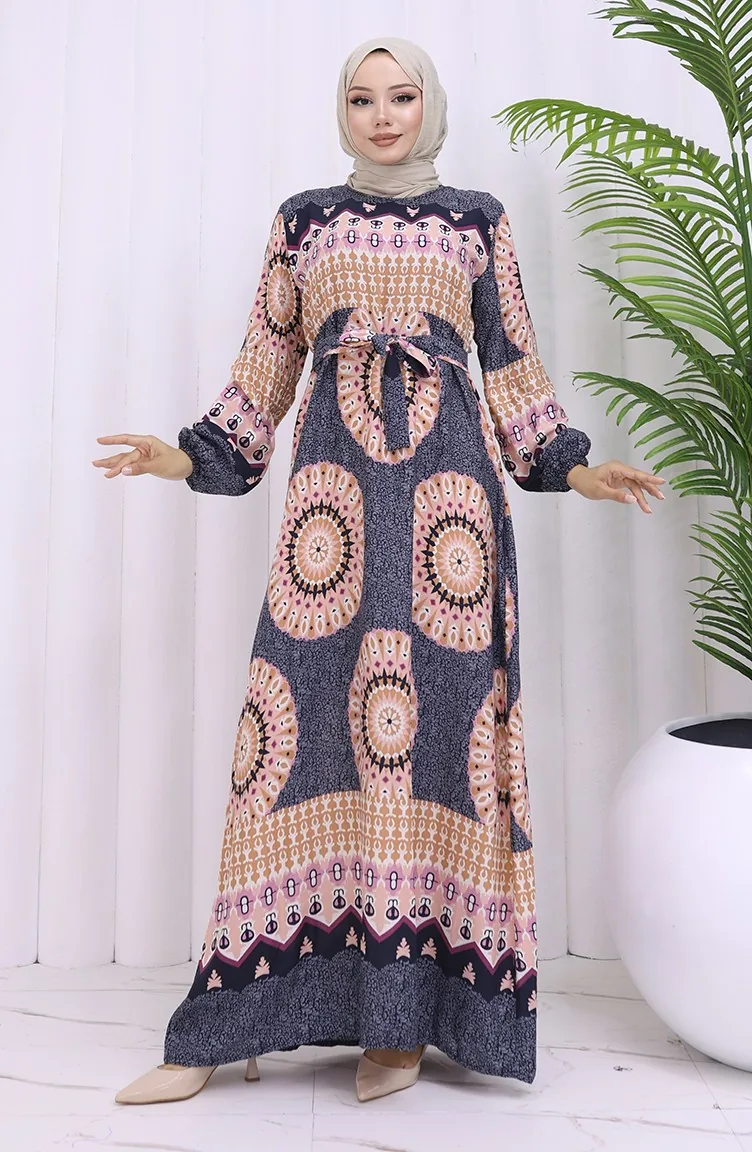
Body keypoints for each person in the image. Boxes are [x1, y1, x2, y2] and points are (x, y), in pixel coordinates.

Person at [93, 36, 665, 1105]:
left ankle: (401, 1030)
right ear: (342, 112)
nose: (383, 114)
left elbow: (513, 371)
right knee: (292, 744)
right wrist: (182, 455)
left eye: (401, 96)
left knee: (437, 744)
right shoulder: (303, 221)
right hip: (332, 523)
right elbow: (264, 365)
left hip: (451, 527)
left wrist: (577, 468)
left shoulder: (477, 222)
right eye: (362, 98)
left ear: (428, 104)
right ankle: (226, 1022)